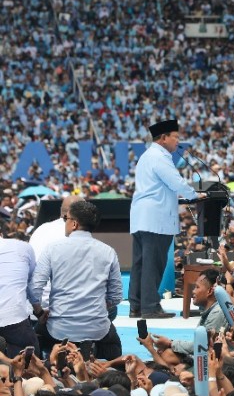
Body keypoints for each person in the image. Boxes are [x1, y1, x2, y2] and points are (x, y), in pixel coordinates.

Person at [129, 119, 205, 319]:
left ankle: (136, 306)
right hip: (155, 218)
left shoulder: (147, 156)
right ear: (163, 138)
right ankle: (150, 307)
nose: (178, 142)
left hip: (141, 217)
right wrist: (193, 195)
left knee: (140, 263)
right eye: (176, 137)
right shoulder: (159, 156)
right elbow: (175, 181)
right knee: (153, 264)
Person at [31, 200, 123, 359]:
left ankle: (53, 358)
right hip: (96, 327)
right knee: (115, 349)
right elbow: (116, 297)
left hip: (58, 328)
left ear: (74, 224)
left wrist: (40, 313)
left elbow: (34, 290)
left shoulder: (52, 249)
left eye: (65, 219)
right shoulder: (108, 252)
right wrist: (97, 310)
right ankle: (89, 349)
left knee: (34, 341)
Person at [0, 232, 38, 355]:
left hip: (13, 319)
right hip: (14, 319)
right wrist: (39, 311)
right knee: (33, 363)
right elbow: (31, 283)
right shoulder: (23, 247)